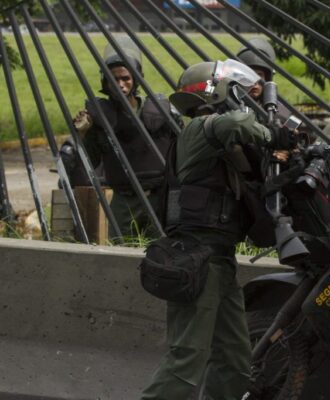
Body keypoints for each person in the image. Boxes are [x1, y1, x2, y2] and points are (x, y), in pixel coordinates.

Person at [140, 59, 293, 400]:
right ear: (217, 91)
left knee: (236, 364)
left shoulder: (222, 147)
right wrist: (273, 133)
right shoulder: (201, 128)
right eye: (238, 92)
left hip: (220, 262)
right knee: (187, 359)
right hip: (198, 257)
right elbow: (236, 121)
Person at [73, 37, 179, 239]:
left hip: (159, 197)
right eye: (114, 79)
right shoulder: (100, 118)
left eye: (125, 78)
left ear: (136, 79)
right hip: (124, 200)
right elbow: (90, 160)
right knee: (120, 254)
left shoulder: (160, 112)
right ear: (106, 82)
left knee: (163, 252)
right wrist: (83, 133)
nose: (120, 84)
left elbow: (181, 149)